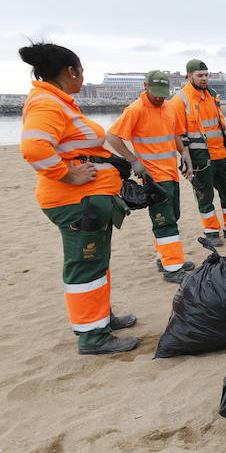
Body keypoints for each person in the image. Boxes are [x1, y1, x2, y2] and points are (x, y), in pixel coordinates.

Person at [18, 42, 138, 355]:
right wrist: (67, 175)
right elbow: (34, 148)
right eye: (82, 71)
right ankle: (93, 337)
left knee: (96, 263)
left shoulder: (61, 102)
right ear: (71, 71)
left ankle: (101, 320)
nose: (83, 77)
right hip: (74, 201)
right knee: (85, 267)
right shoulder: (47, 104)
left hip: (89, 199)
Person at [106, 71, 196, 283]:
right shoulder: (136, 109)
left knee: (172, 216)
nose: (159, 97)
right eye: (155, 93)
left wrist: (185, 154)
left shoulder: (169, 107)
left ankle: (164, 258)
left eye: (163, 93)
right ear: (146, 86)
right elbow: (112, 136)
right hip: (153, 176)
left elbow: (175, 134)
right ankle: (173, 268)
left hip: (171, 172)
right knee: (165, 222)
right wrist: (133, 160)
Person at [169, 59, 226, 246]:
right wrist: (187, 162)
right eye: (200, 75)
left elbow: (218, 127)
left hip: (221, 155)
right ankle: (211, 232)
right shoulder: (180, 100)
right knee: (205, 196)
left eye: (206, 75)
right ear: (188, 76)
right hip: (200, 159)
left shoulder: (213, 95)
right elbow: (179, 135)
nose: (204, 78)